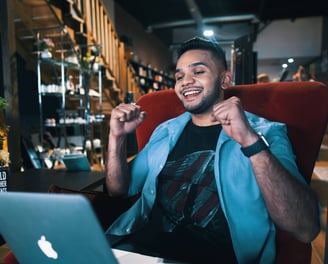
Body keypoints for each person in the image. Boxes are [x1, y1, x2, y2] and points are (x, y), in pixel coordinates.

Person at [105, 37, 320, 263]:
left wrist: (249, 140)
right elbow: (118, 189)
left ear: (224, 79)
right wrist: (116, 137)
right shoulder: (165, 131)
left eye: (198, 72)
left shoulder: (266, 132)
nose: (185, 81)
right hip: (141, 251)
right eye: (179, 76)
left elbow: (305, 228)